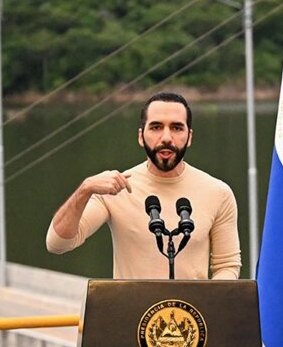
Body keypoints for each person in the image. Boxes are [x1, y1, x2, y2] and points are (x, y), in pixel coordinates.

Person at [46, 91, 241, 279]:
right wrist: (84, 190)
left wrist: (210, 303)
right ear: (141, 136)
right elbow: (57, 244)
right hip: (132, 312)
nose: (166, 138)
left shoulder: (218, 192)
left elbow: (227, 266)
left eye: (176, 128)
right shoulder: (115, 188)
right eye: (156, 127)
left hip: (190, 312)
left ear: (189, 137)